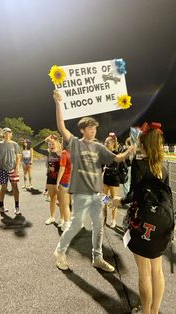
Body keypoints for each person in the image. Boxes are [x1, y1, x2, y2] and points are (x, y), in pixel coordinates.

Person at [53, 90, 133, 272]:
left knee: (99, 227)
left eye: (95, 128)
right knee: (75, 225)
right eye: (90, 128)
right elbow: (61, 126)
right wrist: (58, 103)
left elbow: (118, 159)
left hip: (98, 195)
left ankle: (97, 258)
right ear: (82, 130)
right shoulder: (74, 143)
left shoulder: (98, 147)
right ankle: (59, 252)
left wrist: (129, 150)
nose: (93, 130)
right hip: (81, 195)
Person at [112, 122, 168, 314]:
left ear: (144, 143)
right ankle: (155, 310)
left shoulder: (139, 163)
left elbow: (135, 195)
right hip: (162, 221)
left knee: (144, 271)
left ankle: (146, 312)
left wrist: (120, 200)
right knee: (157, 270)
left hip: (144, 220)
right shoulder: (163, 166)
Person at [0, 128, 21, 215]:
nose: (7, 134)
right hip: (2, 169)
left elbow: (18, 157)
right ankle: (1, 206)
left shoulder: (15, 145)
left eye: (9, 133)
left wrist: (17, 169)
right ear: (3, 134)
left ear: (11, 134)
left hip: (13, 169)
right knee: (3, 188)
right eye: (5, 133)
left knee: (15, 187)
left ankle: (17, 207)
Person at [33, 135, 61, 225]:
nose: (51, 145)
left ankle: (63, 219)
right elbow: (35, 148)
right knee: (52, 198)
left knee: (61, 200)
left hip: (60, 178)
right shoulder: (48, 152)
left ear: (56, 143)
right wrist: (44, 140)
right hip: (50, 177)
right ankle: (52, 217)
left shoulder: (60, 152)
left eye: (53, 143)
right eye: (49, 144)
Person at [102, 133, 120, 228]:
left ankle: (113, 220)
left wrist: (107, 168)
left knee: (114, 200)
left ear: (113, 143)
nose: (105, 144)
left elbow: (116, 168)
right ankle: (104, 218)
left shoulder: (116, 154)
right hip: (106, 179)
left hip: (114, 180)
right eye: (105, 142)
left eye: (107, 142)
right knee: (104, 199)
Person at [56, 147, 71, 231]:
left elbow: (62, 168)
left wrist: (57, 182)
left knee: (65, 204)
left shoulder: (65, 153)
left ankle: (67, 224)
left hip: (65, 180)